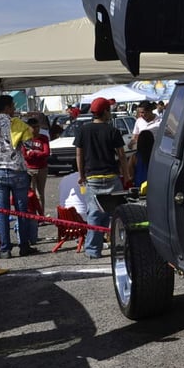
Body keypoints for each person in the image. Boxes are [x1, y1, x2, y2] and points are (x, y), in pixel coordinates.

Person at [74, 96, 130, 259]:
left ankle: (93, 250)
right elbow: (121, 155)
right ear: (105, 111)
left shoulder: (83, 130)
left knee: (94, 214)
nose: (110, 112)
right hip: (112, 177)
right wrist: (126, 175)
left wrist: (81, 174)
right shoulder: (113, 131)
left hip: (92, 177)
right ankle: (122, 247)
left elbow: (79, 154)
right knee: (118, 213)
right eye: (109, 110)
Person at [0, 94, 38, 258]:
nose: (15, 109)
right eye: (13, 106)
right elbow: (30, 144)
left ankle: (5, 249)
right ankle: (24, 246)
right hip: (17, 170)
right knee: (21, 210)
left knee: (2, 211)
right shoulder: (17, 124)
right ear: (7, 108)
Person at [22, 117, 50, 220]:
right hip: (30, 169)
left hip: (42, 168)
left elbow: (46, 153)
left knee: (40, 193)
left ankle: (42, 215)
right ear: (29, 127)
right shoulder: (26, 139)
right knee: (31, 193)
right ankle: (33, 215)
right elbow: (24, 155)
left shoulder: (43, 138)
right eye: (33, 127)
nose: (36, 129)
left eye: (37, 126)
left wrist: (33, 153)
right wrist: (37, 153)